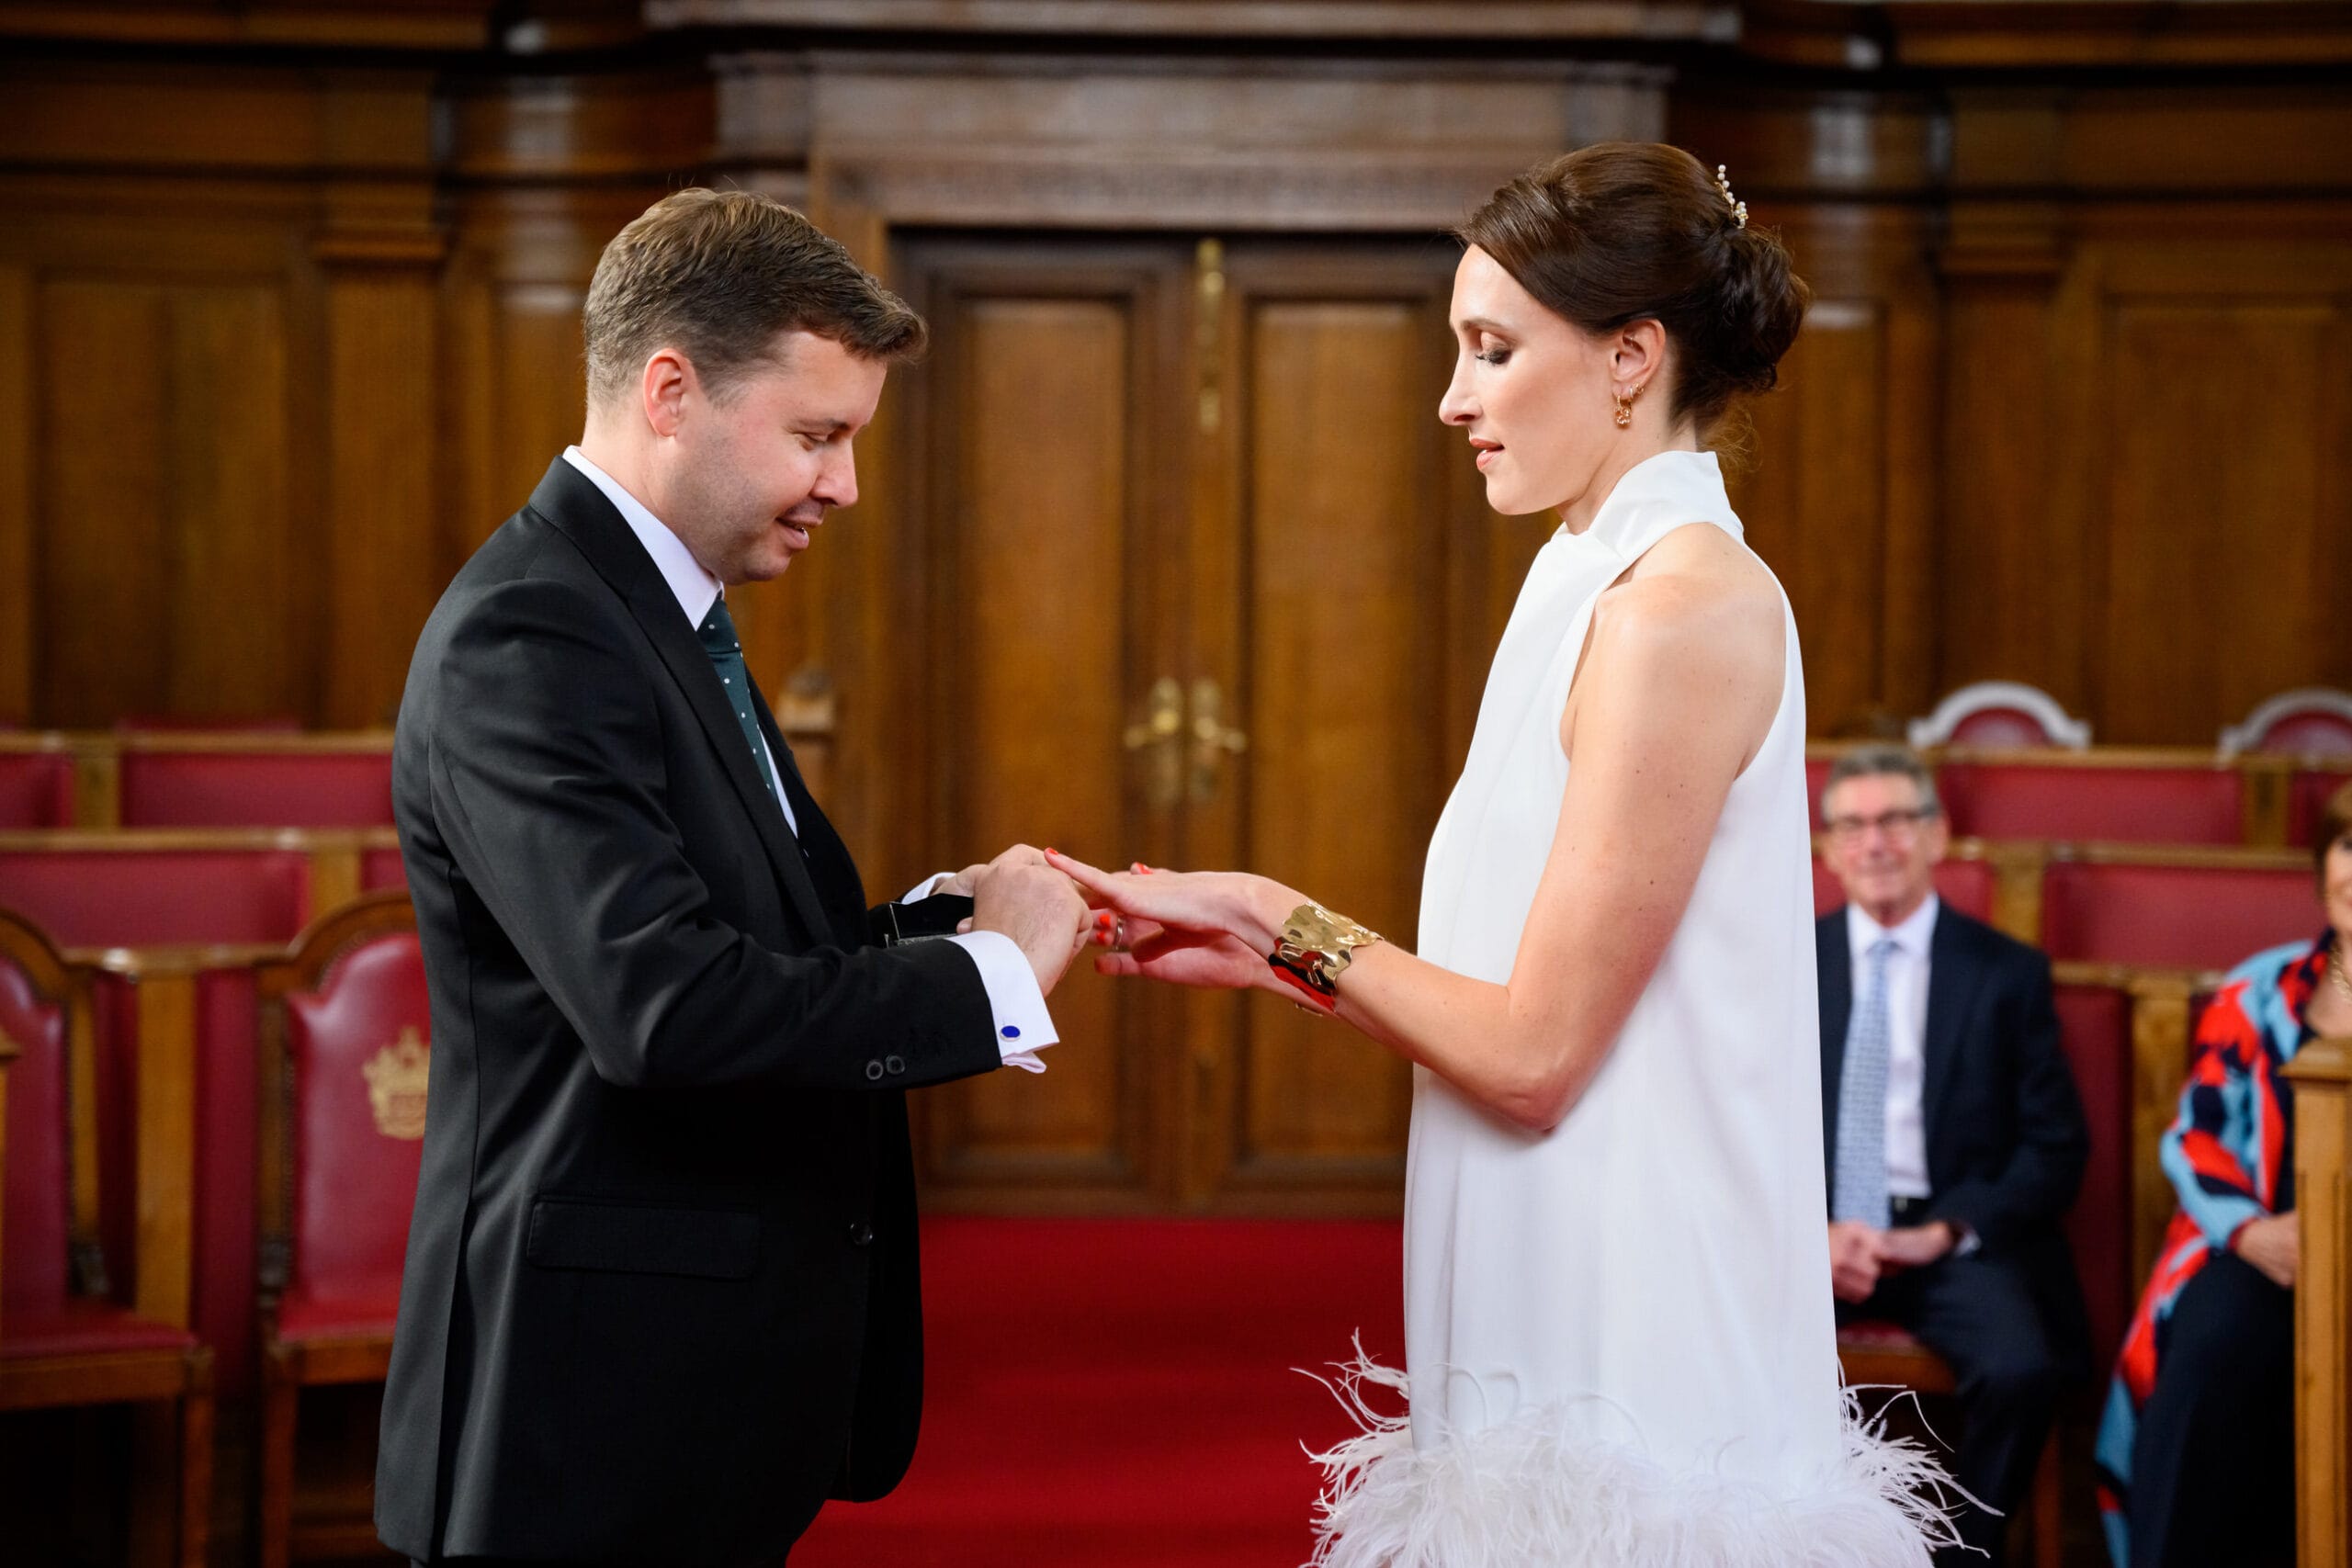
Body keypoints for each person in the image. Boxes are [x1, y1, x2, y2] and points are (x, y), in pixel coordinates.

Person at [1047, 143, 1955, 1565]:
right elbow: (1523, 988)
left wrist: (1279, 906)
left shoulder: (1681, 604)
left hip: (1638, 1297)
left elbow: (1538, 1054)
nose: (1454, 398)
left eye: (1491, 348)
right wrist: (1273, 956)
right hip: (1536, 1248)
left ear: (1629, 359)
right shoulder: (1579, 572)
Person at [374, 188, 1090, 1567]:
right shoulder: (532, 632)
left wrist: (936, 920)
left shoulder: (660, 610)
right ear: (670, 391)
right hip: (579, 1415)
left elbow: (732, 932)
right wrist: (983, 979)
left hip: (685, 1394)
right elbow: (665, 1008)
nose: (845, 486)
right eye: (816, 436)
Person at [1815, 744, 2089, 1563]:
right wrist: (1814, 1231)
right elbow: (1739, 1135)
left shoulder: (2007, 974)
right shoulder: (1786, 968)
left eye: (1897, 819)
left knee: (2019, 1367)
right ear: (1829, 848)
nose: (1876, 843)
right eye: (1854, 825)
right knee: (1707, 1338)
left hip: (1949, 1237)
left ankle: (1959, 1559)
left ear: (1936, 834)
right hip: (1816, 1236)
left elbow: (2056, 1147)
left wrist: (1943, 1232)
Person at [2095, 776, 2352, 1568]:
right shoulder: (2258, 989)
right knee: (2210, 1343)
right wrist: (2250, 1231)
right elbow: (2195, 1135)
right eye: (2347, 844)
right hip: (2262, 1240)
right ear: (2321, 869)